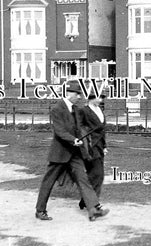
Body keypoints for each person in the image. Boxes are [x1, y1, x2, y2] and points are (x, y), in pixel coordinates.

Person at [35, 80, 106, 221]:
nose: (79, 97)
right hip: (60, 153)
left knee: (83, 179)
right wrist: (73, 140)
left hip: (74, 154)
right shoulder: (57, 109)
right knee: (48, 181)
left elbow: (79, 130)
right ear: (69, 93)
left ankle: (93, 209)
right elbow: (59, 131)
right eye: (77, 94)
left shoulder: (75, 110)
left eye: (80, 94)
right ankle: (40, 210)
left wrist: (83, 144)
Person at [76, 94, 109, 215]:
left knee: (93, 174)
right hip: (89, 146)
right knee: (98, 174)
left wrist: (104, 146)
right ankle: (94, 205)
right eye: (99, 97)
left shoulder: (100, 110)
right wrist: (82, 142)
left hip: (99, 146)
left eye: (102, 98)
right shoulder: (84, 111)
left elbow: (102, 130)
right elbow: (78, 128)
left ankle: (85, 201)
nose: (101, 100)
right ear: (91, 98)